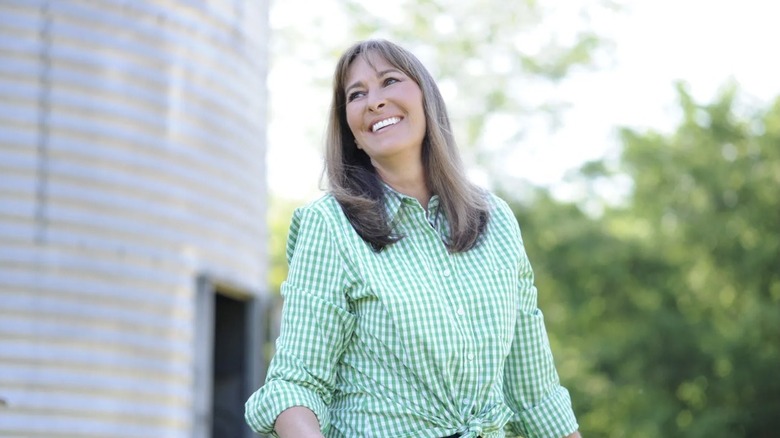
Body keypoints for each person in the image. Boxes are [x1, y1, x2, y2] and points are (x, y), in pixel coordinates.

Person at [245, 39, 581, 438]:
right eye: (356, 94)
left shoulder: (497, 221)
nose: (374, 101)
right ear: (352, 132)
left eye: (389, 81)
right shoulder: (330, 226)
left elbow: (536, 397)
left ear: (426, 100)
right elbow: (296, 384)